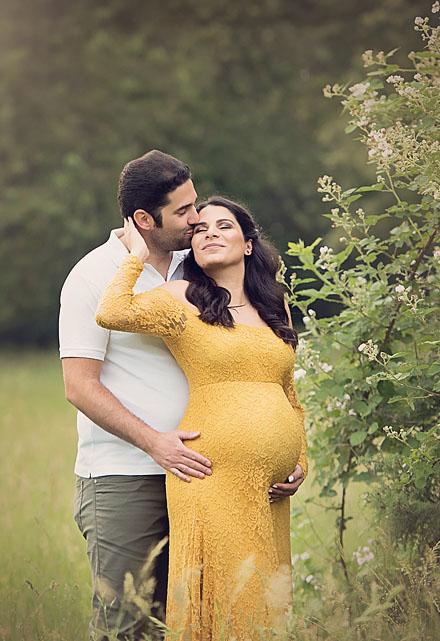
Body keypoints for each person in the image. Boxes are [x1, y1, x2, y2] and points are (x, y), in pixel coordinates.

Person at [95, 196, 307, 640]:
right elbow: (111, 312)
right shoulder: (181, 300)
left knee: (265, 598)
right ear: (191, 248)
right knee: (228, 598)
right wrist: (135, 257)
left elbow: (290, 394)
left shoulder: (275, 308)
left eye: (223, 226)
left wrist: (301, 461)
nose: (209, 232)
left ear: (248, 244)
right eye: (200, 228)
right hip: (212, 474)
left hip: (271, 491)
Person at [60, 150, 215, 640]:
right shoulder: (92, 274)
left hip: (203, 472)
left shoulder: (202, 266)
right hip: (125, 478)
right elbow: (79, 386)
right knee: (127, 627)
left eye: (196, 203)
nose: (199, 218)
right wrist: (155, 442)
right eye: (185, 211)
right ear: (144, 219)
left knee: (195, 621)